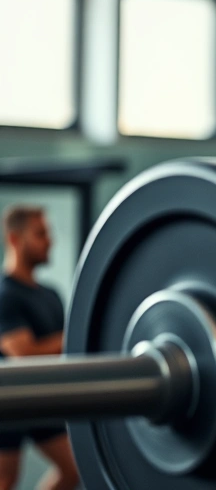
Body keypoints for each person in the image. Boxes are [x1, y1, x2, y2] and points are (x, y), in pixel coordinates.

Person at [0, 206, 80, 490]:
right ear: (14, 239)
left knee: (73, 470)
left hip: (42, 399)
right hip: (8, 402)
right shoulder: (5, 295)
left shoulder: (50, 295)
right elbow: (23, 354)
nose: (50, 241)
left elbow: (67, 352)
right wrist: (70, 335)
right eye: (41, 234)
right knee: (5, 480)